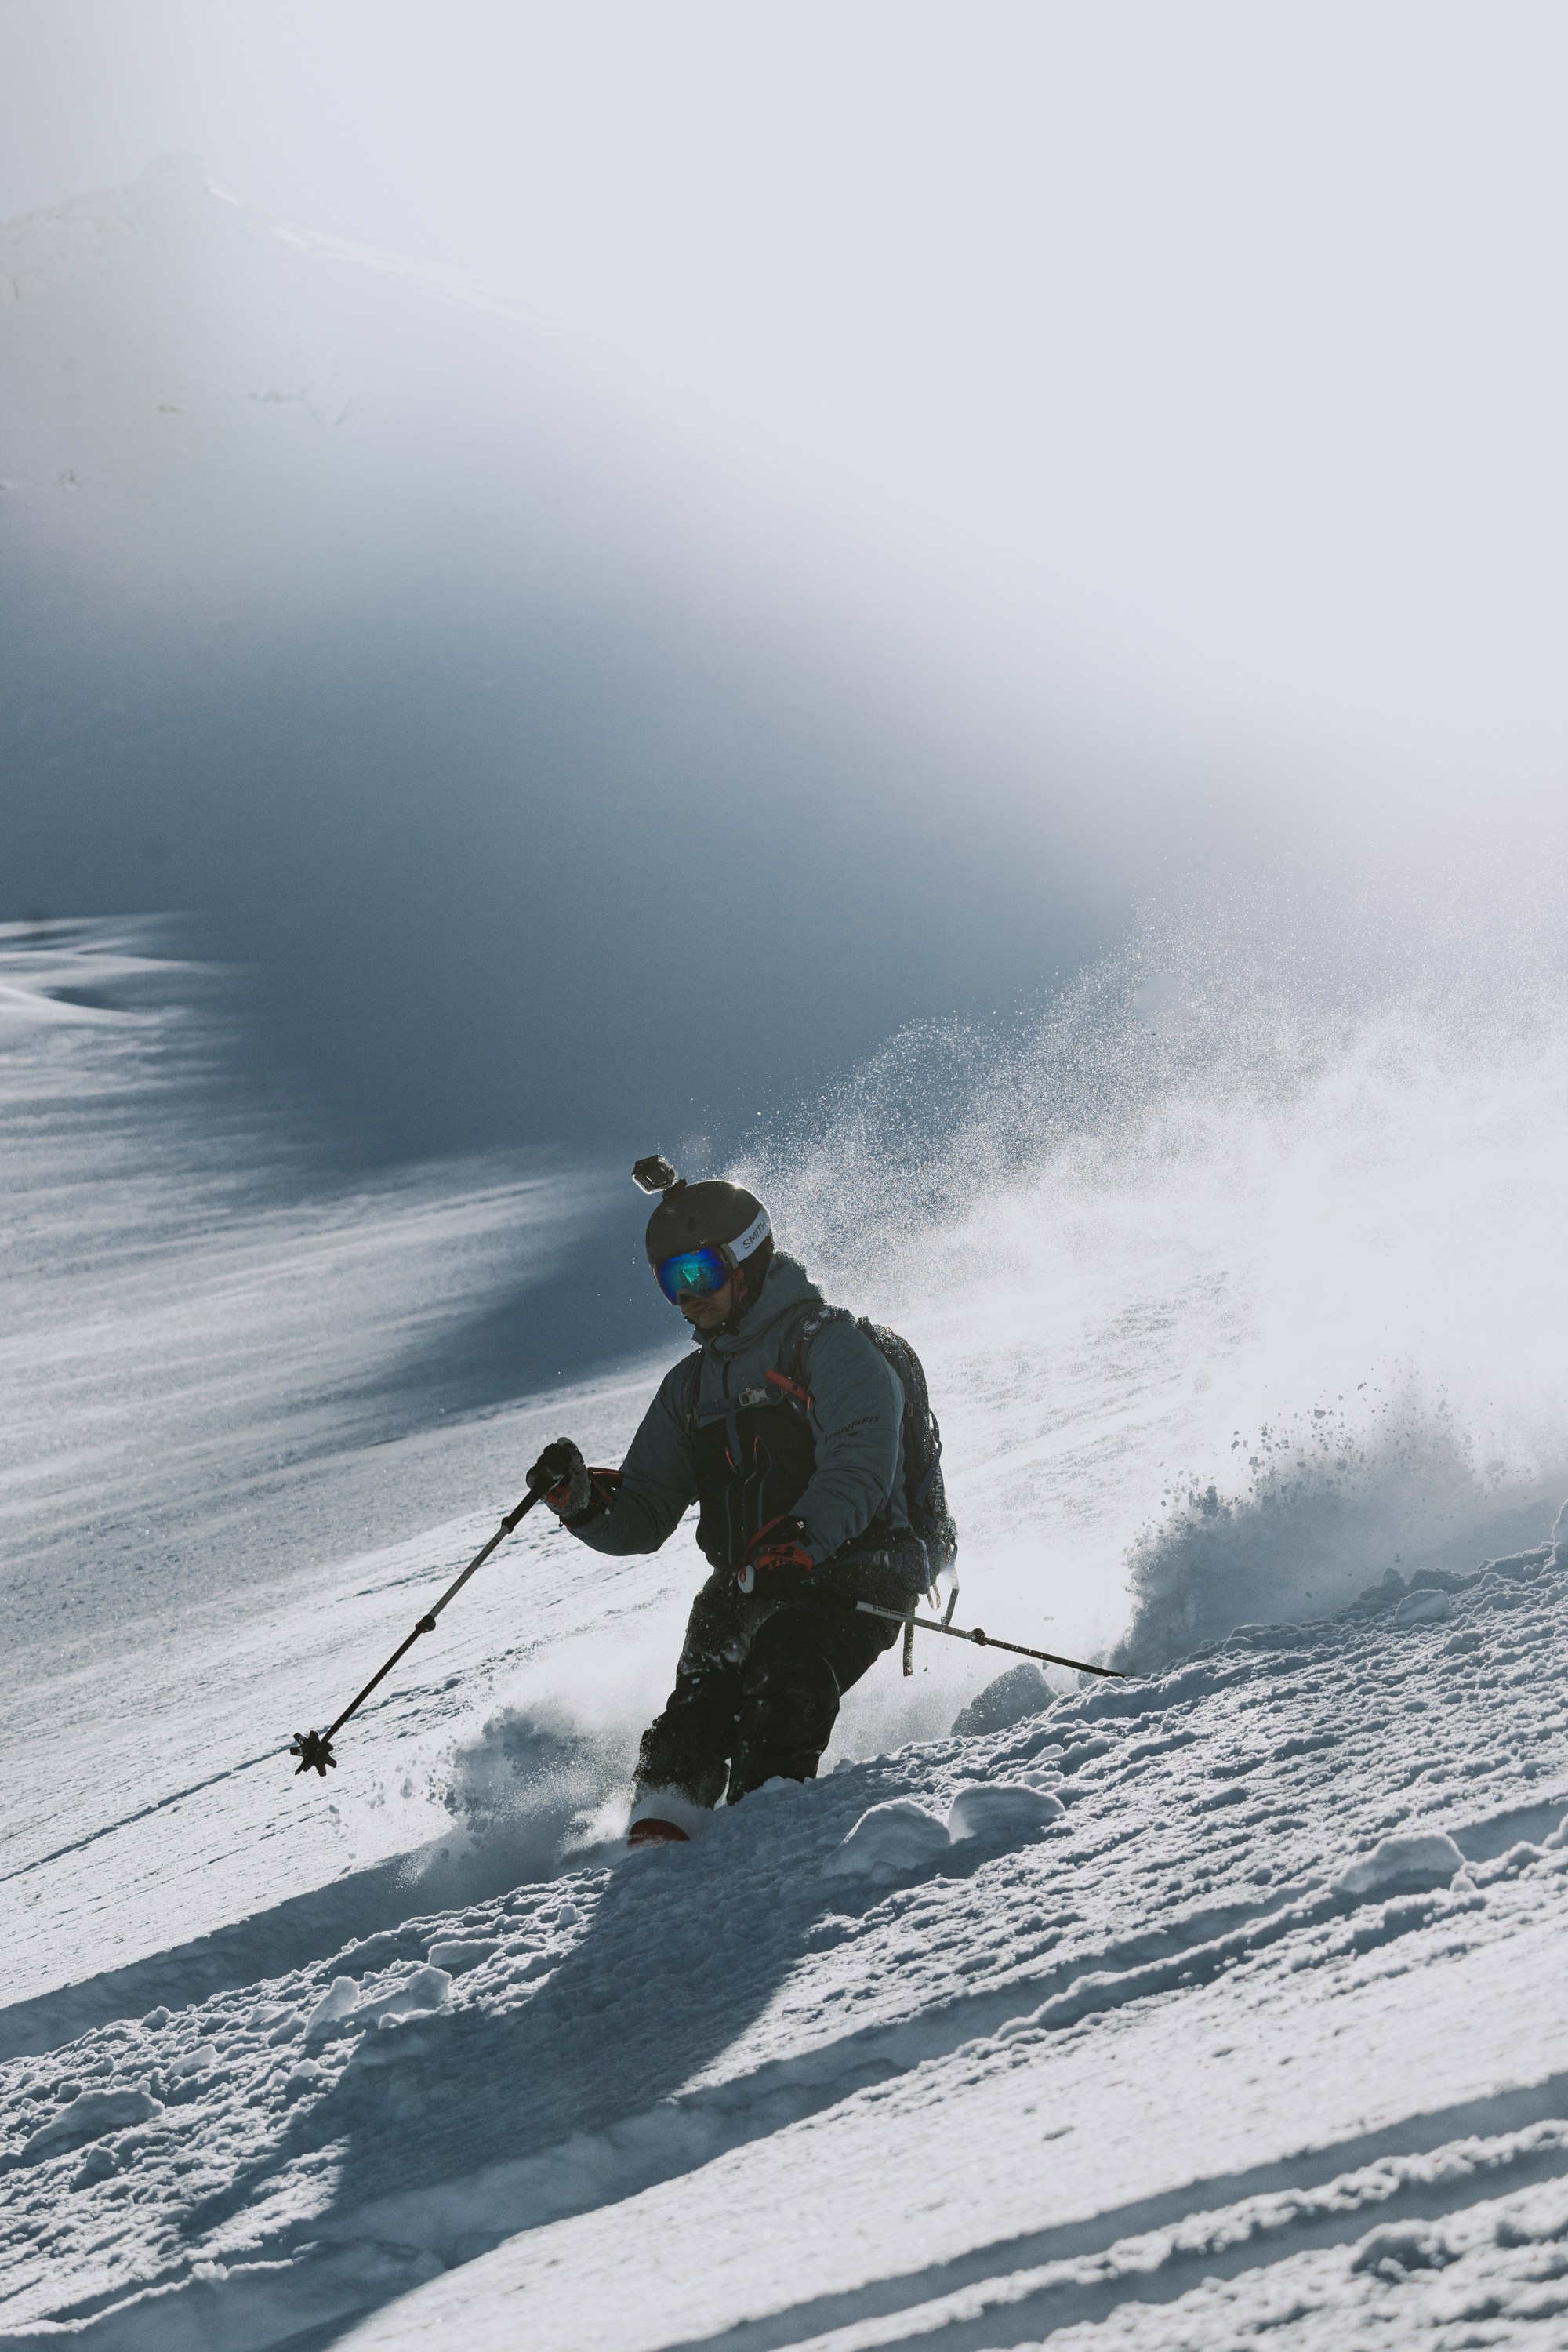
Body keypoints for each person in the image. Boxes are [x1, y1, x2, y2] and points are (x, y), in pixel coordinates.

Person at [528, 1160, 914, 1846]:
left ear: (747, 1261)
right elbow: (644, 1514)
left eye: (699, 1274)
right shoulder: (690, 1388)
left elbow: (861, 1463)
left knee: (786, 1669)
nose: (687, 1297)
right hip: (745, 1578)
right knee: (698, 1706)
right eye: (669, 1281)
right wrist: (582, 1506)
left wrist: (803, 1541)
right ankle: (664, 1828)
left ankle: (764, 1838)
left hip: (857, 1566)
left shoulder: (828, 1346)